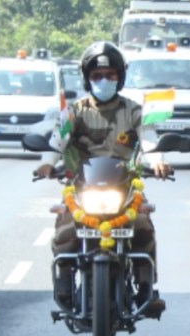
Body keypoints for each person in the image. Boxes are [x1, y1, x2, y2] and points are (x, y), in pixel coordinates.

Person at [33, 41, 172, 318]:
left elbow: (148, 138)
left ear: (120, 77)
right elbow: (57, 141)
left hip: (125, 188)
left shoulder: (133, 111)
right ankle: (63, 285)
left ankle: (147, 289)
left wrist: (157, 161)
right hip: (82, 188)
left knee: (143, 226)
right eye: (97, 76)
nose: (104, 81)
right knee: (65, 231)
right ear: (87, 79)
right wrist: (47, 165)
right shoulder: (74, 111)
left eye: (110, 75)